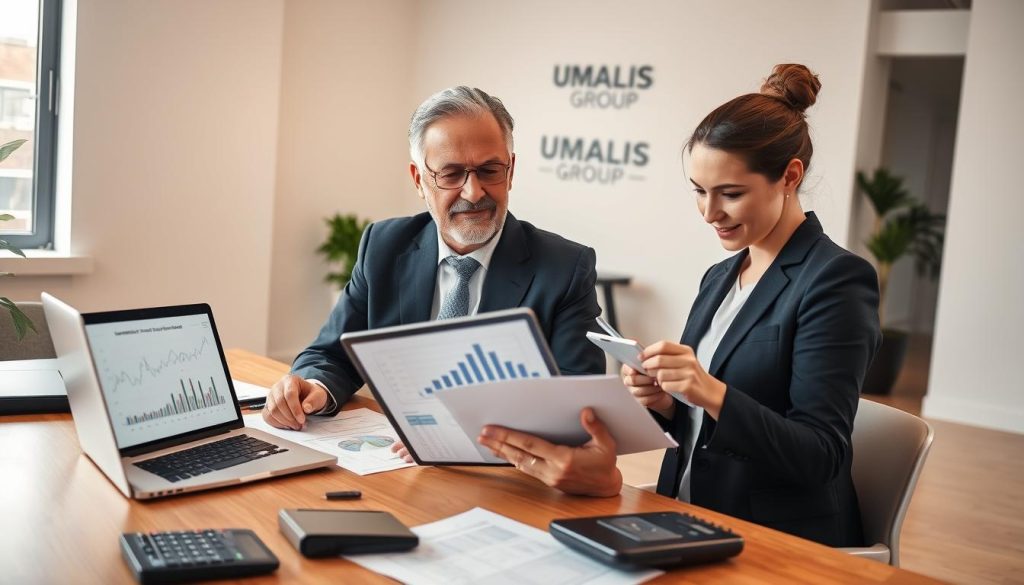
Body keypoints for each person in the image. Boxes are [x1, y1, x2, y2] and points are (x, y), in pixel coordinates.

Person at [477, 64, 881, 547]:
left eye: (730, 194)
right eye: (699, 192)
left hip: (774, 538)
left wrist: (709, 391)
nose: (710, 214)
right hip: (685, 513)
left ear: (789, 176)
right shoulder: (720, 276)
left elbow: (821, 455)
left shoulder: (836, 280)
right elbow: (705, 422)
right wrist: (666, 400)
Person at [262, 86, 606, 432]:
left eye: (489, 170)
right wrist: (312, 389)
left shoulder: (564, 268)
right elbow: (330, 354)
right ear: (418, 179)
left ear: (511, 171)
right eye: (452, 174)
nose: (473, 193)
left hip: (507, 470)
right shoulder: (384, 246)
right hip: (397, 465)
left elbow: (577, 408)